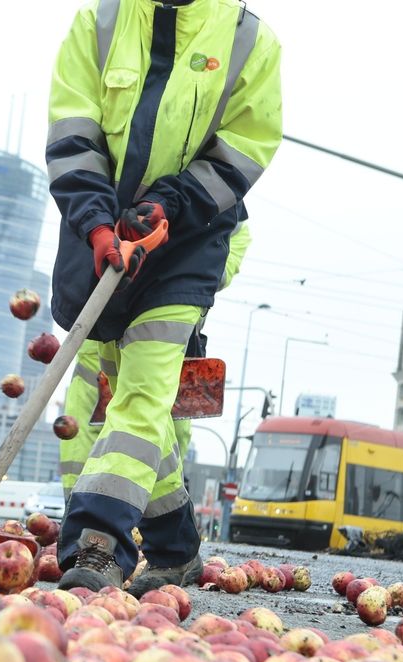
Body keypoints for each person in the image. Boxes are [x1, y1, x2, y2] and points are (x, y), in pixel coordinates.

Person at [47, 0, 281, 597]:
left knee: (144, 396)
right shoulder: (99, 21)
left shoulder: (248, 39)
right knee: (125, 410)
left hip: (186, 242)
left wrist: (172, 204)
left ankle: (97, 546)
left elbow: (244, 150)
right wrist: (98, 224)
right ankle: (175, 546)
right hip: (100, 238)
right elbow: (73, 129)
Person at [59, 223, 251, 501]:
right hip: (110, 325)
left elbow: (219, 264)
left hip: (160, 325)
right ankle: (85, 519)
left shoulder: (225, 214)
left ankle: (138, 521)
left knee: (162, 428)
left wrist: (175, 266)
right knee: (106, 427)